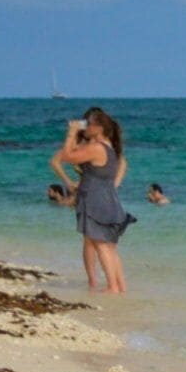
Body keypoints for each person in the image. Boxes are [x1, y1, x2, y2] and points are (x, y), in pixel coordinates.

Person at [50, 108, 132, 294]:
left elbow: (67, 156)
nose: (84, 126)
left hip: (95, 199)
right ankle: (119, 286)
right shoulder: (108, 145)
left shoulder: (96, 148)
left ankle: (112, 287)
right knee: (109, 246)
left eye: (88, 123)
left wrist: (71, 133)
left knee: (100, 244)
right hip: (107, 198)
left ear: (98, 127)